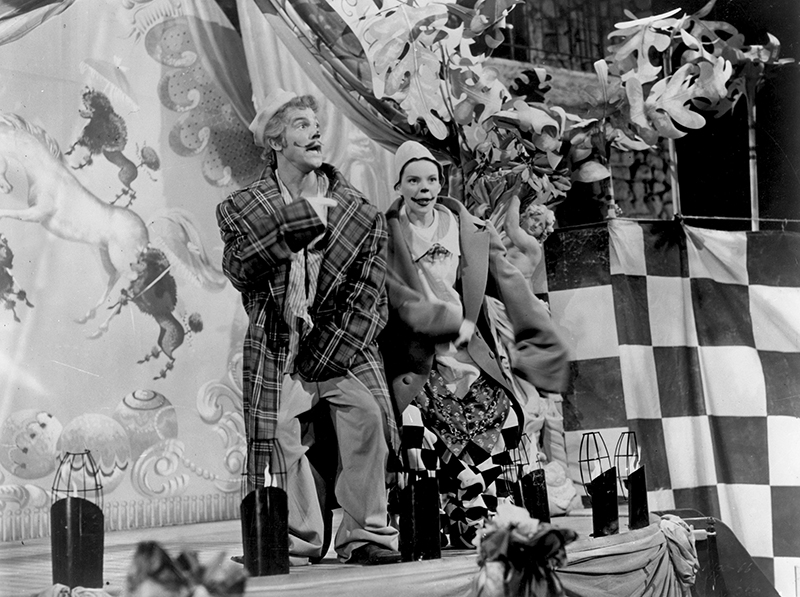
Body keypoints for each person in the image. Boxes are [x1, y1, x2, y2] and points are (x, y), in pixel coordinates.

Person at [216, 89, 400, 565]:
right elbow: (239, 269)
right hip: (279, 343)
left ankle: (366, 535)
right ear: (275, 141)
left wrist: (323, 355)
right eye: (301, 125)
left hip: (340, 345)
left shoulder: (361, 213)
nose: (315, 133)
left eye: (316, 126)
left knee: (369, 416)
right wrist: (293, 225)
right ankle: (297, 537)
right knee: (277, 429)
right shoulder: (242, 207)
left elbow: (369, 301)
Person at [380, 141, 570, 546]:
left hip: (468, 351)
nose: (423, 188)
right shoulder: (385, 235)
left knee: (508, 418)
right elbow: (400, 301)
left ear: (441, 183)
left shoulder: (472, 230)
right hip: (417, 356)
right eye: (413, 180)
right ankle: (454, 508)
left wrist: (542, 339)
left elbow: (511, 284)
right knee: (416, 428)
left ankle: (471, 508)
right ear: (398, 186)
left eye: (431, 179)